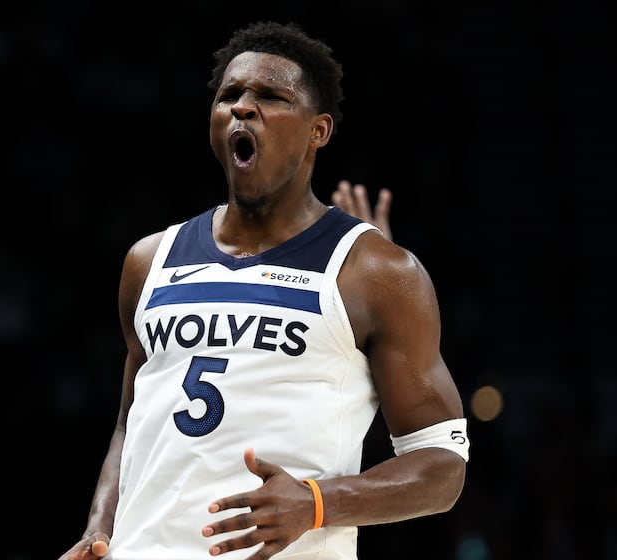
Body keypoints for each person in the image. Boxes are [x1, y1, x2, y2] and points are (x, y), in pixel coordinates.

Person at [58, 21, 469, 560]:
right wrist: (98, 527)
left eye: (271, 96)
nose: (243, 107)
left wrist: (317, 503)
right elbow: (128, 424)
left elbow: (441, 467)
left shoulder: (377, 272)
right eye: (230, 95)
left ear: (318, 131)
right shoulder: (148, 261)